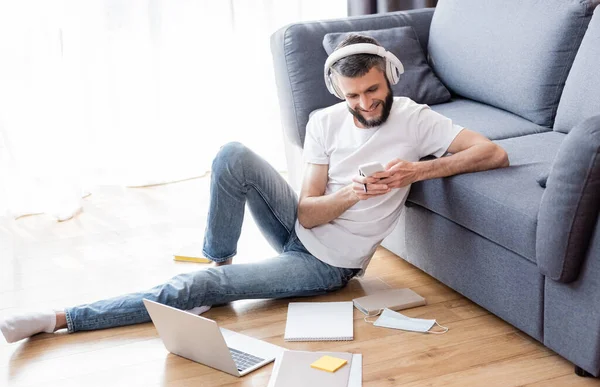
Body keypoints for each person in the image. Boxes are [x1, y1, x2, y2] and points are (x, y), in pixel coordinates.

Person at [0, 34, 508, 343]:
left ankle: (62, 318)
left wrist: (411, 173)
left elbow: (493, 152)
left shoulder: (415, 120)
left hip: (326, 266)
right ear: (339, 92)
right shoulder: (326, 120)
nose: (365, 103)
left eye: (373, 90)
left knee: (196, 291)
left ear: (390, 78)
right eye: (353, 95)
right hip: (306, 227)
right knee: (232, 154)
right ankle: (218, 261)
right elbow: (306, 213)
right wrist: (353, 193)